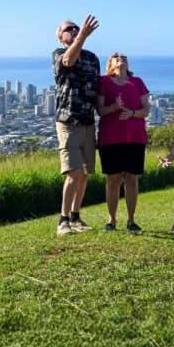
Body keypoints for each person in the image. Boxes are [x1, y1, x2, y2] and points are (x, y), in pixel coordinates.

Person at [52, 15, 100, 236]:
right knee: (73, 172)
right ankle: (63, 221)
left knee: (84, 173)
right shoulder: (59, 54)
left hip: (89, 122)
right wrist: (82, 36)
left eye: (76, 28)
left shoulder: (92, 58)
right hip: (68, 122)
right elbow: (69, 62)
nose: (73, 30)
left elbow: (98, 89)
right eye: (68, 29)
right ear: (60, 37)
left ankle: (76, 216)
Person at [98, 52, 150, 232]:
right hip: (110, 138)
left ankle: (131, 220)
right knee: (112, 179)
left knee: (132, 179)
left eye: (124, 57)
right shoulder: (104, 82)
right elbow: (100, 110)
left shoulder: (137, 82)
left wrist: (132, 113)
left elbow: (146, 109)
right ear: (110, 64)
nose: (121, 59)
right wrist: (115, 107)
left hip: (135, 137)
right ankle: (111, 219)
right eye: (116, 57)